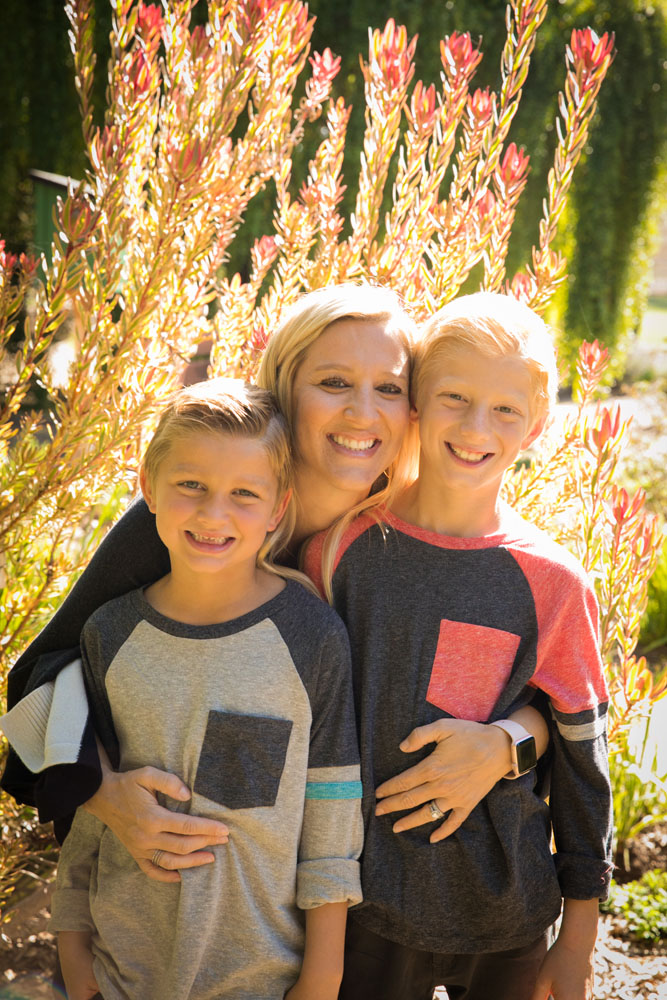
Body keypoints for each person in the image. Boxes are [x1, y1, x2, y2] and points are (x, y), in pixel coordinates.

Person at [1, 283, 547, 881]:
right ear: (285, 385)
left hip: (355, 896)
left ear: (413, 408)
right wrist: (105, 793)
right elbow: (40, 672)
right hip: (173, 883)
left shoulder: (417, 538)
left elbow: (541, 696)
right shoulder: (202, 518)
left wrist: (505, 746)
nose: (363, 413)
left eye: (388, 389)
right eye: (334, 382)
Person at [304, 291, 614, 1000]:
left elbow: (580, 758)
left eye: (505, 409)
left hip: (504, 914)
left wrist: (579, 934)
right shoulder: (339, 551)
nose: (476, 427)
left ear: (535, 425)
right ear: (413, 401)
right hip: (360, 908)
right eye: (453, 397)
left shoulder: (551, 580)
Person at [49, 378, 363, 1000]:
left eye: (244, 494)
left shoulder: (311, 636)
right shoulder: (109, 634)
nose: (213, 513)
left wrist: (322, 976)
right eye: (190, 485)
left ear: (278, 510)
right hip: (119, 976)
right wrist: (74, 955)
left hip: (260, 980)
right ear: (149, 488)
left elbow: (331, 807)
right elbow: (88, 799)